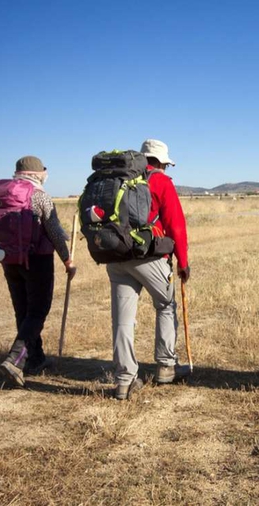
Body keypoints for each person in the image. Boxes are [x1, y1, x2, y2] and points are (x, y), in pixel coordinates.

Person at [106, 139, 190, 400]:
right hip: (150, 256)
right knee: (165, 305)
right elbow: (175, 225)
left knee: (122, 319)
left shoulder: (118, 179)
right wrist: (183, 263)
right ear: (160, 162)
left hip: (116, 256)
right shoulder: (161, 182)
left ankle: (124, 380)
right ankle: (166, 366)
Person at [0, 156, 77, 386]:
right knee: (38, 310)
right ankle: (15, 359)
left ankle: (35, 358)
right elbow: (53, 231)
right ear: (37, 173)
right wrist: (67, 260)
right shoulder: (39, 195)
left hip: (9, 259)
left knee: (22, 310)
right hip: (37, 259)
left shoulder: (6, 194)